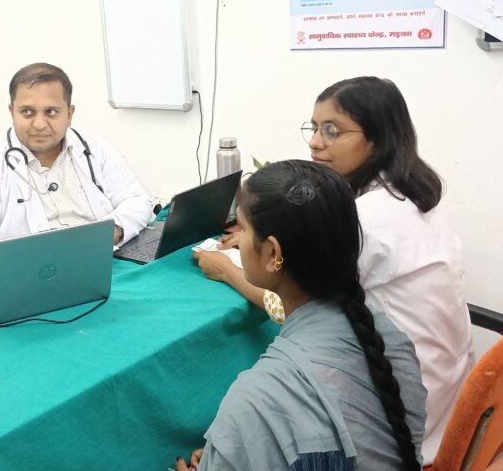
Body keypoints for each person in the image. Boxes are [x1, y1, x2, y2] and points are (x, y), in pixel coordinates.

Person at [193, 77, 471, 464]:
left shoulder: (366, 222)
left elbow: (295, 296)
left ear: (377, 138)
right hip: (437, 387)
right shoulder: (406, 195)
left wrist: (229, 271)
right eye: (313, 128)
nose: (315, 142)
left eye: (331, 130)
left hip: (399, 410)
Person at [176, 160, 427, 471]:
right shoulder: (392, 341)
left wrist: (234, 449)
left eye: (242, 228)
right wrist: (239, 451)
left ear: (273, 254)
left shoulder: (255, 402)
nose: (237, 237)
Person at [0, 62, 153, 303]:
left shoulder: (95, 149)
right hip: (32, 284)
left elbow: (138, 200)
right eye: (27, 112)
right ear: (12, 111)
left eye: (51, 112)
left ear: (70, 113)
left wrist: (113, 231)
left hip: (102, 270)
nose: (39, 124)